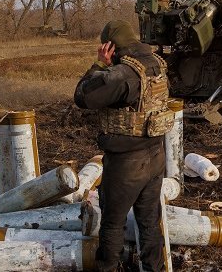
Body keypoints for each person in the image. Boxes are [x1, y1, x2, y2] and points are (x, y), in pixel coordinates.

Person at [74, 20, 174, 271]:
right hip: (156, 153)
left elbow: (83, 97)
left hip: (127, 162)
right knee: (149, 221)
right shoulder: (156, 64)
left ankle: (108, 267)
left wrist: (98, 64)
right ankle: (154, 267)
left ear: (109, 45)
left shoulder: (121, 74)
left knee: (112, 222)